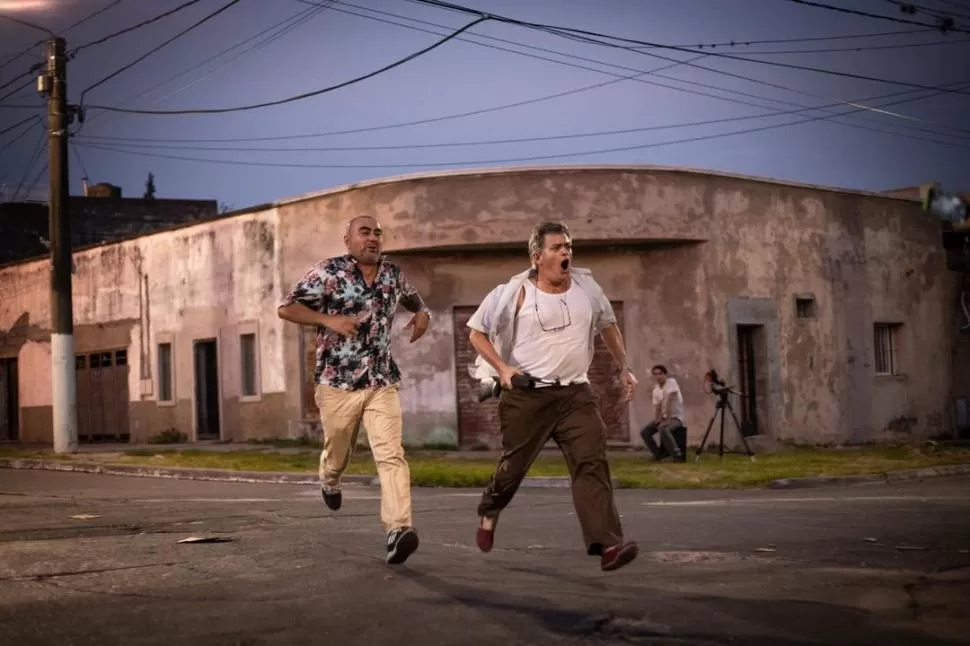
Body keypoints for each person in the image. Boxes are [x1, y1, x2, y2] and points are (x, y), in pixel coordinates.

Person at [466, 221, 640, 572]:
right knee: (512, 468)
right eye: (558, 248)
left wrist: (624, 368)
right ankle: (490, 510)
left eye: (569, 247)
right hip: (527, 396)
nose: (566, 253)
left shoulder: (587, 289)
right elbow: (475, 334)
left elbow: (609, 325)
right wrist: (502, 368)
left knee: (591, 463)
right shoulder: (513, 293)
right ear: (537, 256)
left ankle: (607, 544)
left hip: (576, 393)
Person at [277, 215, 431, 565]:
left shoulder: (393, 274)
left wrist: (424, 315)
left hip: (381, 382)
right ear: (348, 240)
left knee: (391, 455)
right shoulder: (328, 272)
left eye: (378, 233)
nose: (373, 238)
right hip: (337, 384)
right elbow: (286, 308)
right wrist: (327, 319)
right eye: (365, 232)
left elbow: (415, 301)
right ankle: (329, 478)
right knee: (339, 452)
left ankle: (398, 529)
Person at [639, 364, 686, 461]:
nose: (658, 376)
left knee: (663, 428)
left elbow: (667, 400)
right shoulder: (656, 390)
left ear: (665, 374)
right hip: (664, 417)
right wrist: (657, 420)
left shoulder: (671, 382)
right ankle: (658, 455)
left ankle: (676, 455)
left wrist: (666, 419)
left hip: (675, 417)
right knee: (645, 432)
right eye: (655, 374)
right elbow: (657, 407)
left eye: (660, 373)